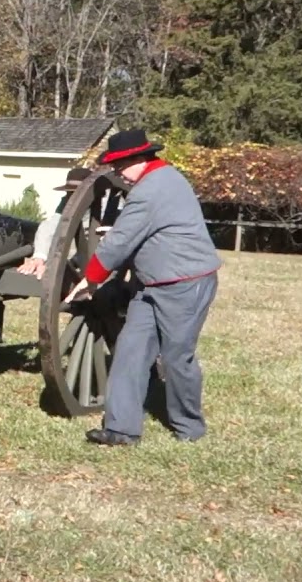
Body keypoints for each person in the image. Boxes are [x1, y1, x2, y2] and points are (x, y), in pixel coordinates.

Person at [70, 129, 221, 446]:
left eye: (120, 165)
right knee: (130, 351)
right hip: (150, 285)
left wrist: (90, 281)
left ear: (139, 158)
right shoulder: (159, 179)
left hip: (185, 283)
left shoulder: (152, 188)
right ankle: (122, 430)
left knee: (177, 357)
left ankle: (189, 428)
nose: (117, 173)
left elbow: (119, 242)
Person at [16, 167, 92, 279]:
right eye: (69, 193)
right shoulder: (66, 202)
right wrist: (39, 257)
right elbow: (50, 226)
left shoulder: (104, 205)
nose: (71, 197)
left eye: (76, 193)